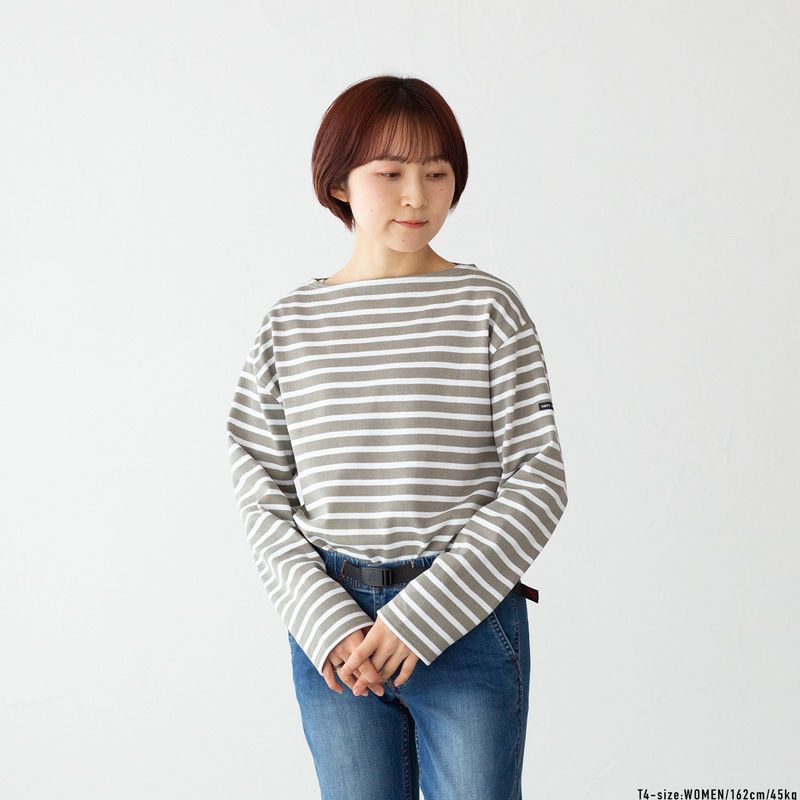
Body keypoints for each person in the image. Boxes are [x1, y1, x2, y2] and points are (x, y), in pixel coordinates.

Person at [226, 74, 569, 800]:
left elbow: (540, 477)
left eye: (437, 174)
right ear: (340, 183)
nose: (417, 196)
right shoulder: (289, 324)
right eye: (390, 173)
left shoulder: (487, 306)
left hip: (467, 617)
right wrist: (325, 621)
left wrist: (422, 617)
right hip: (334, 633)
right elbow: (259, 489)